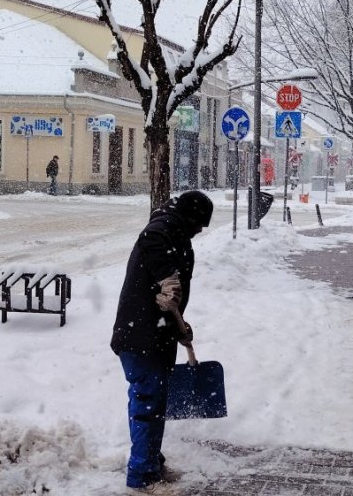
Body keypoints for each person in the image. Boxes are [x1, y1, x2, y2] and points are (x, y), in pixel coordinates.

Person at [110, 191, 213, 493]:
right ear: (189, 219)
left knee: (154, 403)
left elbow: (171, 295)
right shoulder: (159, 234)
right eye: (199, 225)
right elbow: (166, 277)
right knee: (147, 403)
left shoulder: (174, 232)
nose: (200, 231)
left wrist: (178, 323)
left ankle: (151, 461)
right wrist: (170, 288)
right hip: (140, 336)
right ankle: (142, 475)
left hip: (155, 333)